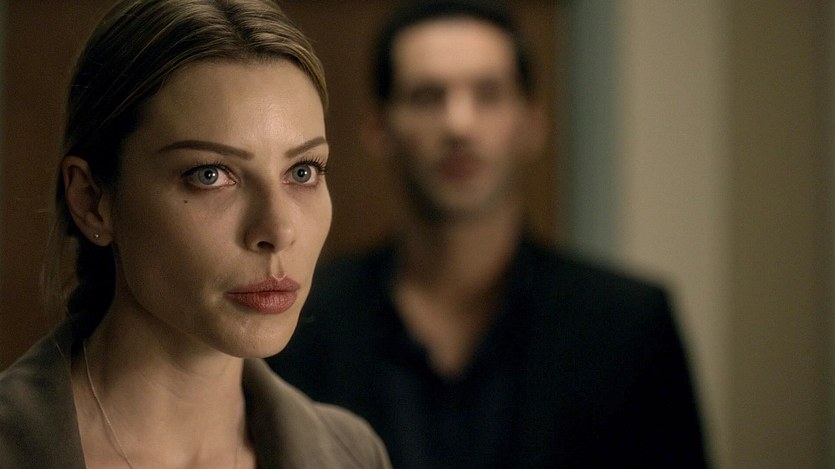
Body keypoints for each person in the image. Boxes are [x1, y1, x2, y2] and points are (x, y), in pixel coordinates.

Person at [267, 1, 708, 467]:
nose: (459, 124)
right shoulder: (302, 321)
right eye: (427, 96)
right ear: (380, 129)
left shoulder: (627, 327)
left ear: (531, 124)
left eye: (489, 94)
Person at [0, 0, 393, 467]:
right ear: (91, 200)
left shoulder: (353, 455)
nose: (278, 229)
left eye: (303, 171)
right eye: (210, 175)